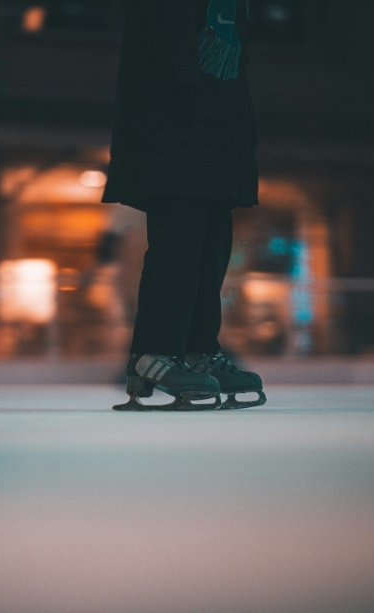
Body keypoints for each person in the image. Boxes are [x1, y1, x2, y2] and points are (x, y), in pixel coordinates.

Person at [103, 0, 266, 410]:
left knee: (212, 243)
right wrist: (184, 109)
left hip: (216, 129)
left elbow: (235, 62)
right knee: (179, 240)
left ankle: (197, 348)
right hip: (176, 130)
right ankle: (153, 352)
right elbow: (168, 40)